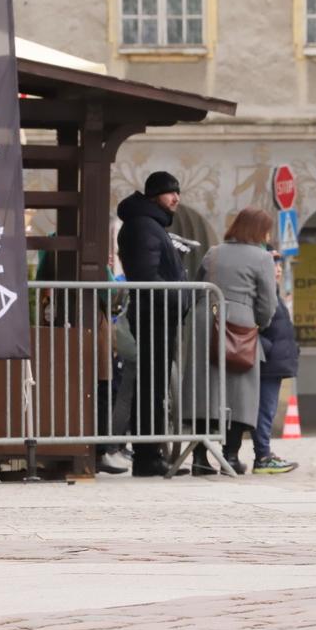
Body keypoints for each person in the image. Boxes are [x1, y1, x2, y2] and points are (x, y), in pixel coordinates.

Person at [183, 207, 278, 476]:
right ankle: (231, 456)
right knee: (240, 391)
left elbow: (199, 285)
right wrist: (260, 323)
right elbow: (268, 302)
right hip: (240, 323)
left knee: (204, 389)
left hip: (204, 320)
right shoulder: (262, 257)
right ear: (258, 230)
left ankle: (200, 457)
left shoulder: (214, 252)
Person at [116, 170, 189, 477]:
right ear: (154, 195)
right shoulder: (144, 225)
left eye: (178, 192)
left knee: (154, 386)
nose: (176, 198)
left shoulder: (149, 224)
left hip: (156, 314)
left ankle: (150, 454)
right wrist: (177, 298)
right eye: (170, 192)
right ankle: (147, 456)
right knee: (151, 387)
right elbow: (147, 277)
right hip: (153, 315)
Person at [252, 252, 299, 474]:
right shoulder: (262, 293)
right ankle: (262, 456)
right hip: (268, 361)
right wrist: (267, 347)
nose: (278, 269)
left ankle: (264, 453)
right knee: (265, 410)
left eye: (279, 265)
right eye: (273, 265)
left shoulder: (275, 292)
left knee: (267, 410)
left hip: (275, 361)